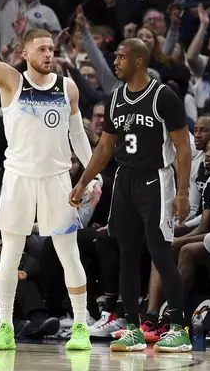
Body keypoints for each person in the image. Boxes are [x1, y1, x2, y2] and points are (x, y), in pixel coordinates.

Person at [0, 0, 100, 351]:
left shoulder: (68, 87)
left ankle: (81, 327)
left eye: (51, 48)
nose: (48, 52)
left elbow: (78, 136)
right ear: (24, 53)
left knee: (68, 252)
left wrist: (92, 174)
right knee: (9, 253)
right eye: (40, 48)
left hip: (58, 179)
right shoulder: (10, 82)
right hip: (19, 178)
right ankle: (5, 327)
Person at [70, 38, 193, 353]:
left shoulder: (163, 96)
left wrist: (182, 191)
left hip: (156, 179)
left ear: (139, 61)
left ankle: (180, 328)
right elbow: (105, 148)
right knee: (125, 254)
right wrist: (84, 181)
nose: (115, 62)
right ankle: (133, 328)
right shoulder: (114, 99)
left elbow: (182, 147)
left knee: (160, 252)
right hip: (125, 181)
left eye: (122, 57)